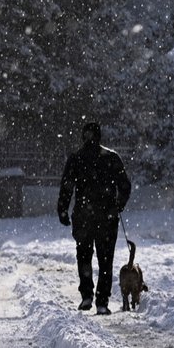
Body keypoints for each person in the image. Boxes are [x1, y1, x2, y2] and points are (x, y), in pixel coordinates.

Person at [57, 122, 131, 315]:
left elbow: (66, 187)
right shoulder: (111, 158)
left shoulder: (76, 158)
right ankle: (102, 300)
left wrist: (63, 210)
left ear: (83, 136)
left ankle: (87, 296)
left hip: (83, 216)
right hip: (106, 216)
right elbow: (125, 185)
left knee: (84, 256)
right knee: (105, 259)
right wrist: (117, 206)